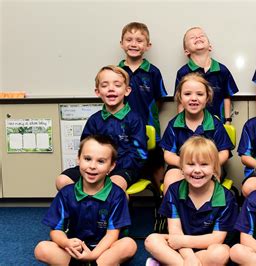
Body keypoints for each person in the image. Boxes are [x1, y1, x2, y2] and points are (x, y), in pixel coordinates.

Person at [34, 135, 137, 265]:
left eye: (101, 161)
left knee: (129, 245)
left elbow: (112, 235)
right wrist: (67, 243)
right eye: (87, 159)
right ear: (78, 159)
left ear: (111, 167)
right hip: (74, 249)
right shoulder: (66, 193)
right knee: (42, 249)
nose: (92, 166)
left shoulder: (117, 195)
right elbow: (56, 230)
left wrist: (92, 255)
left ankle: (92, 263)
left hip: (103, 250)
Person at [145, 136, 238, 266]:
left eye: (204, 164)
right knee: (151, 240)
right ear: (181, 167)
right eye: (190, 164)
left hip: (207, 247)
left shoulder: (226, 197)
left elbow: (216, 238)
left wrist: (183, 242)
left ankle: (169, 263)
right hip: (181, 249)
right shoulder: (174, 190)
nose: (197, 170)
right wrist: (190, 259)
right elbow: (175, 231)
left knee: (221, 253)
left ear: (215, 168)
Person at [55, 65, 147, 191]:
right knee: (62, 180)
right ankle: (83, 208)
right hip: (94, 167)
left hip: (124, 169)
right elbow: (84, 149)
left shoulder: (135, 119)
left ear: (127, 90)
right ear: (97, 92)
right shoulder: (94, 120)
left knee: (113, 187)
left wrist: (110, 167)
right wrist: (94, 166)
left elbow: (139, 154)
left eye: (117, 85)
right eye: (104, 85)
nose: (111, 89)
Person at [160, 73, 234, 194]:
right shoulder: (174, 124)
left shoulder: (215, 124)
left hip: (209, 167)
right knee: (171, 180)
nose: (193, 98)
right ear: (180, 98)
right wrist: (188, 166)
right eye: (187, 94)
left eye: (199, 94)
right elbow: (168, 155)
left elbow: (224, 153)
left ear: (207, 97)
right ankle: (174, 213)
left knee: (210, 182)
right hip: (181, 167)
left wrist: (208, 166)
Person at [118, 21, 168, 189]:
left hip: (149, 127)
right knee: (123, 167)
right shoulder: (116, 71)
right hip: (123, 130)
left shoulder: (153, 72)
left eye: (139, 40)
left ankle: (161, 201)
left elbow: (159, 99)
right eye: (129, 39)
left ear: (147, 45)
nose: (134, 44)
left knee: (156, 162)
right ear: (122, 43)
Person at [175, 26, 239, 123]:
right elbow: (180, 102)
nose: (198, 38)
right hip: (192, 124)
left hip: (218, 125)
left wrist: (228, 120)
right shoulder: (183, 73)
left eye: (201, 36)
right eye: (192, 37)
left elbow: (227, 97)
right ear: (186, 51)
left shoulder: (222, 70)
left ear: (210, 46)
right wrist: (181, 124)